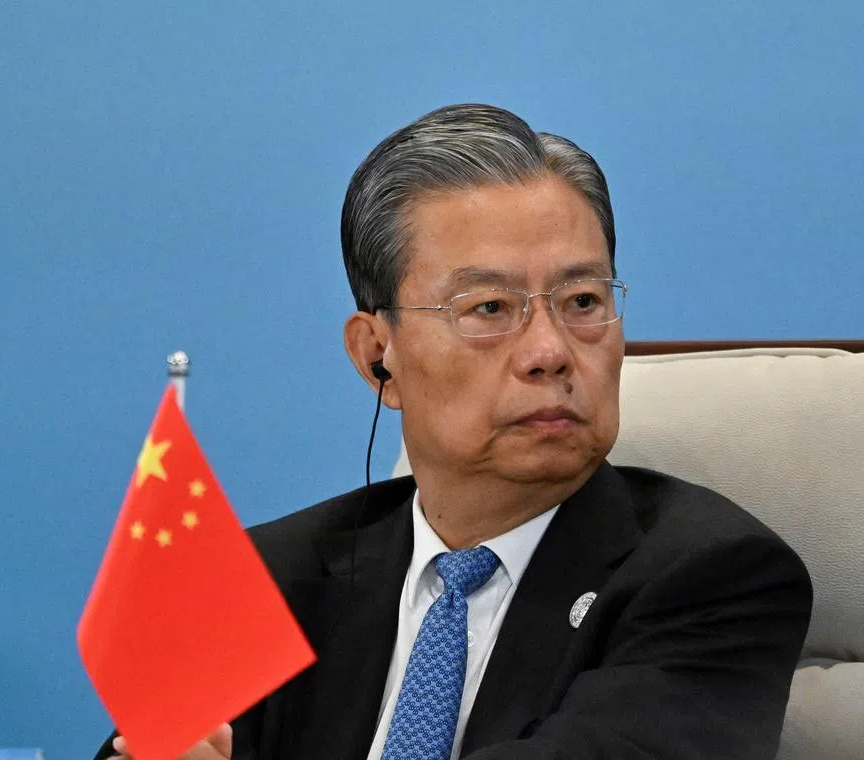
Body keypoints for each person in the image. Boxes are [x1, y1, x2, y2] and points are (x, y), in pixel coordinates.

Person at [96, 103, 812, 760]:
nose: (550, 351)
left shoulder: (713, 577)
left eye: (582, 300)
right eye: (490, 308)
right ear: (378, 358)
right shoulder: (267, 580)